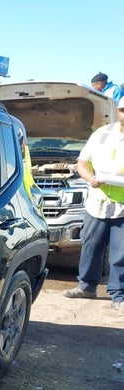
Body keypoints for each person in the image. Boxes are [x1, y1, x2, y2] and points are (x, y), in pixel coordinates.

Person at [62, 97, 124, 313]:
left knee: (121, 253)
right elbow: (82, 162)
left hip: (123, 205)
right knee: (91, 247)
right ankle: (86, 286)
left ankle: (118, 295)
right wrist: (90, 179)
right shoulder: (102, 134)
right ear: (117, 111)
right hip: (97, 203)